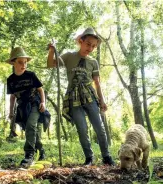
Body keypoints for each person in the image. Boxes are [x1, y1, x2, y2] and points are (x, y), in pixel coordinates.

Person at [47, 27, 115, 166]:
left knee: (99, 128)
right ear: (80, 41)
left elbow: (97, 82)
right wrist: (52, 51)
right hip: (74, 97)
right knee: (82, 129)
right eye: (88, 44)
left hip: (90, 96)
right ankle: (89, 158)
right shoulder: (69, 56)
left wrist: (102, 101)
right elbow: (50, 64)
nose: (90, 48)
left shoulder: (93, 62)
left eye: (94, 46)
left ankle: (106, 157)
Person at [6, 47, 49, 167]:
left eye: (25, 62)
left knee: (31, 126)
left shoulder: (31, 75)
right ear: (13, 62)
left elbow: (41, 90)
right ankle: (42, 151)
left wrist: (43, 103)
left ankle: (29, 154)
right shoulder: (10, 80)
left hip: (35, 104)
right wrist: (11, 112)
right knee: (31, 130)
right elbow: (13, 97)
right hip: (22, 108)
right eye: (20, 62)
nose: (24, 65)